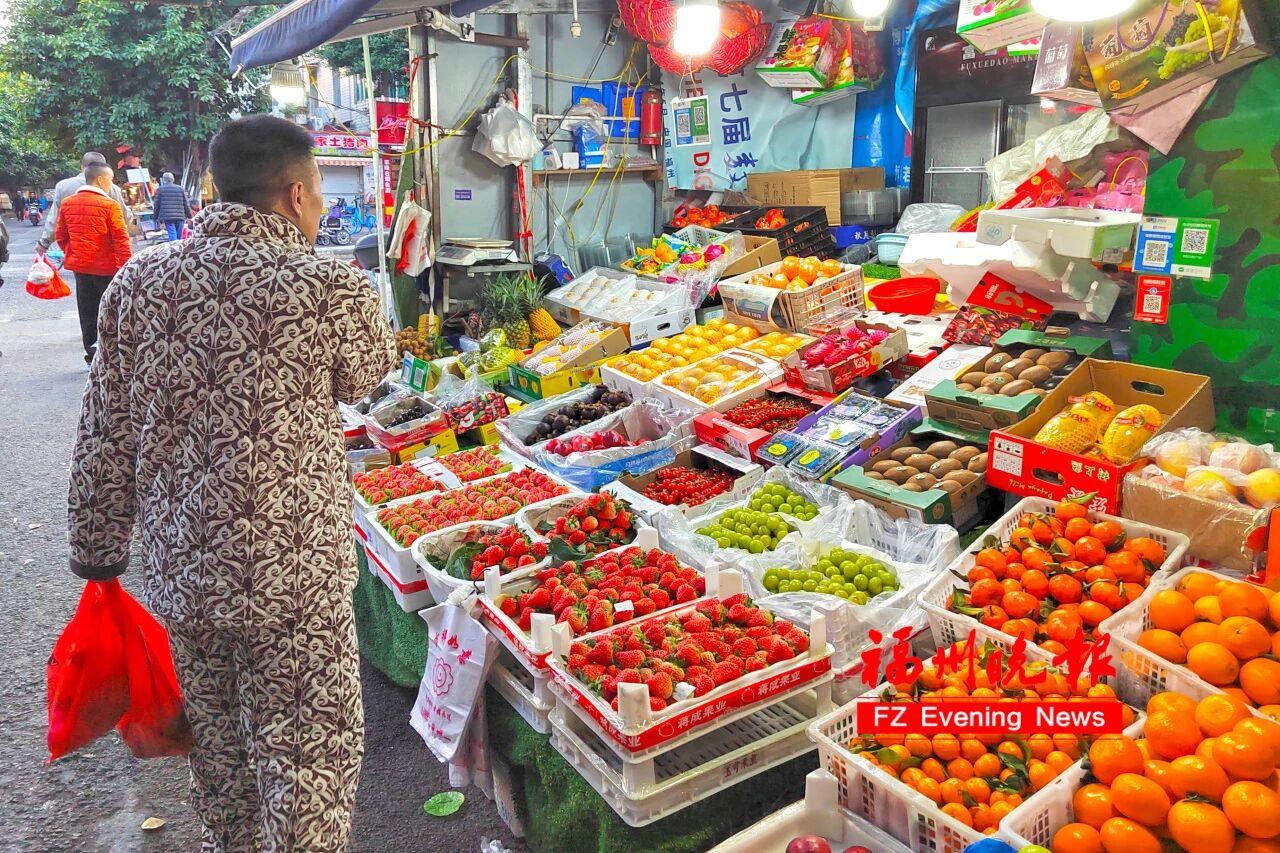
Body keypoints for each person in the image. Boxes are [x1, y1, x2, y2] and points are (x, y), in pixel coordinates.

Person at [66, 114, 396, 851]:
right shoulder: (328, 286)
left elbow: (105, 431)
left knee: (221, 754)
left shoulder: (137, 283)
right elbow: (365, 376)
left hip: (187, 575)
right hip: (298, 579)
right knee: (309, 753)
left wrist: (97, 552)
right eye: (314, 197)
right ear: (293, 194)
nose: (316, 210)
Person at [54, 163, 132, 364]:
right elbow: (121, 240)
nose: (111, 184)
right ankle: (112, 356)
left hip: (81, 268)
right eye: (110, 179)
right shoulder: (110, 205)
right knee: (111, 311)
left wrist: (74, 253)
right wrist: (127, 268)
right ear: (100, 179)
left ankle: (92, 357)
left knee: (87, 313)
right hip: (108, 269)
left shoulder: (68, 203)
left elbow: (60, 236)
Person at [39, 152, 133, 252]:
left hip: (75, 249)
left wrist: (45, 243)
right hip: (104, 249)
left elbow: (54, 220)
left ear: (82, 167)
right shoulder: (112, 189)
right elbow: (124, 218)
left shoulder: (62, 187)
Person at [152, 172, 192, 241]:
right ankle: (178, 249)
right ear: (173, 179)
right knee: (179, 235)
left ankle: (174, 248)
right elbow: (186, 203)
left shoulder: (160, 189)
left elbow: (157, 204)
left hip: (168, 216)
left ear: (164, 180)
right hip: (180, 215)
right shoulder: (180, 189)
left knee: (172, 234)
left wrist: (155, 217)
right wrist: (190, 216)